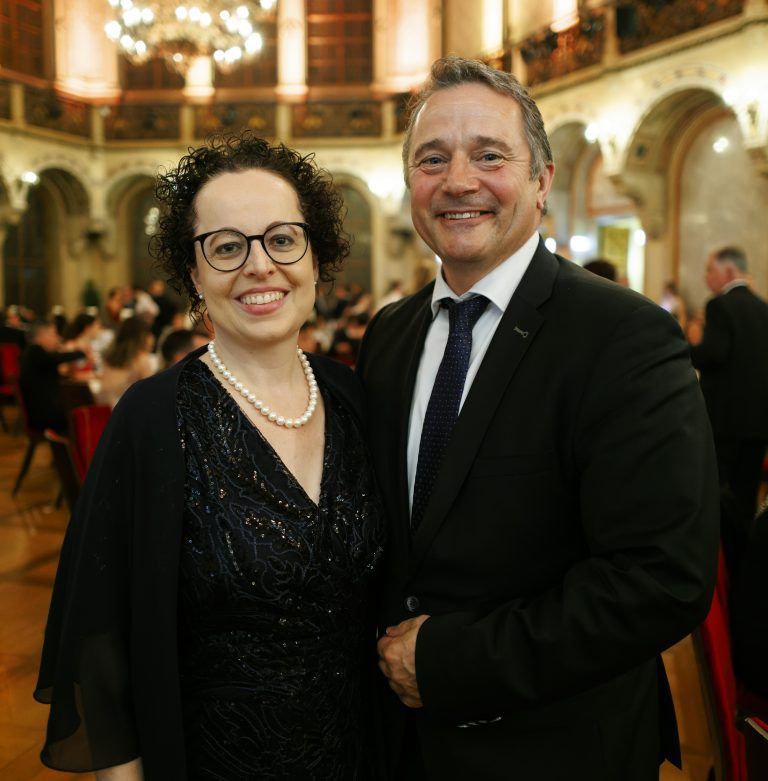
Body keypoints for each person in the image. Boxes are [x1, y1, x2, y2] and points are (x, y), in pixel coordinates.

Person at [356, 55, 719, 781]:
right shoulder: (389, 334)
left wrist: (450, 660)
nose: (459, 180)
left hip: (556, 747)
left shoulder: (623, 335)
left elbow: (661, 578)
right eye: (433, 158)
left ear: (542, 180)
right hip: (400, 747)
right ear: (410, 184)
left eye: (489, 156)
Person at [35, 131, 385, 780]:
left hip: (360, 755)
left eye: (282, 239)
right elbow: (101, 641)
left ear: (316, 258)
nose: (260, 265)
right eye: (227, 247)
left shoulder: (356, 399)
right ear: (194, 275)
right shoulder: (150, 418)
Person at [689, 246, 768, 569]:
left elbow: (715, 354)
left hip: (725, 421)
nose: (706, 277)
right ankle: (744, 563)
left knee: (718, 495)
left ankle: (720, 565)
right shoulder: (763, 307)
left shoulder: (719, 305)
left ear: (729, 271)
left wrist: (690, 343)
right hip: (758, 421)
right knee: (746, 496)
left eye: (710, 269)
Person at [18, 320, 85, 433]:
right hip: (43, 416)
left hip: (42, 411)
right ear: (41, 336)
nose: (58, 338)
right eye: (54, 334)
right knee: (84, 413)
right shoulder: (35, 352)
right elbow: (56, 358)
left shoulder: (32, 353)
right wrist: (79, 353)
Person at [94, 316, 156, 407]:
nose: (152, 337)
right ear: (141, 337)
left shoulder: (110, 356)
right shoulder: (140, 359)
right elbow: (153, 393)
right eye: (149, 333)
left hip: (104, 409)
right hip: (123, 411)